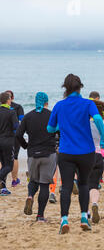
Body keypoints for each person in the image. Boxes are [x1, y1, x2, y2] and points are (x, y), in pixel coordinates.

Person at [47, 74, 104, 234]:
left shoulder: (59, 106)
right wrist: (103, 139)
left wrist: (61, 125)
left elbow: (50, 129)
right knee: (83, 184)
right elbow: (98, 120)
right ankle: (83, 218)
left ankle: (64, 220)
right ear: (80, 88)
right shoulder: (88, 104)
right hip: (86, 152)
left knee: (66, 186)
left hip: (66, 152)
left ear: (65, 88)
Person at [16, 92, 56, 222]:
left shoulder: (28, 116)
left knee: (33, 181)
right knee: (44, 185)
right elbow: (60, 132)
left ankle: (30, 196)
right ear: (46, 102)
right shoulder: (51, 115)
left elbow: (18, 135)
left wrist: (26, 146)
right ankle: (40, 216)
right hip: (48, 153)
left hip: (33, 154)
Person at [87, 100, 104, 224]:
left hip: (85, 156)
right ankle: (94, 203)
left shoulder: (84, 123)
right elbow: (103, 141)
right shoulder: (100, 124)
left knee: (84, 185)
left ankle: (86, 213)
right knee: (94, 186)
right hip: (98, 157)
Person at [0, 91, 19, 196]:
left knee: (3, 165)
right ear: (8, 100)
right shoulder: (11, 112)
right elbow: (16, 127)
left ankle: (3, 188)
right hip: (8, 142)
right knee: (9, 166)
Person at [5, 91, 24, 188]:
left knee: (2, 158)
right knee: (15, 157)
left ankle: (1, 181)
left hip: (3, 136)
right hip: (15, 135)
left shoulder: (1, 109)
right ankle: (14, 180)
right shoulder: (18, 107)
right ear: (12, 98)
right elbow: (22, 121)